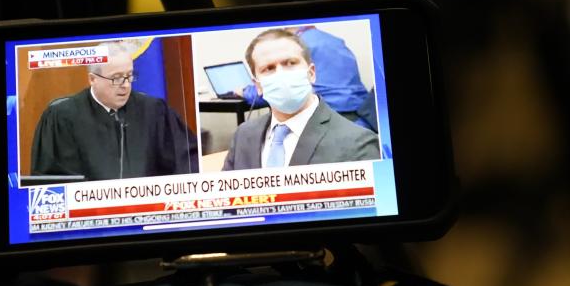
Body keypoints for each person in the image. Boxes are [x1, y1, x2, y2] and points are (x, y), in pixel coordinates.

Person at [31, 42, 199, 181]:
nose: (125, 85)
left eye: (130, 75)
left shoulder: (154, 111)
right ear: (92, 79)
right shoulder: (62, 118)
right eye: (117, 78)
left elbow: (186, 162)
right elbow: (53, 181)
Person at [222, 29, 380, 170]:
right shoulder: (243, 134)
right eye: (268, 68)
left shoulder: (359, 143)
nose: (281, 75)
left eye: (290, 63)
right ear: (258, 86)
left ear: (311, 73)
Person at [235, 25, 375, 130]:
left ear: (311, 72)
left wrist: (246, 92)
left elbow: (281, 86)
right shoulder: (336, 41)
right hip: (362, 119)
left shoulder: (295, 45)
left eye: (290, 63)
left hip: (328, 120)